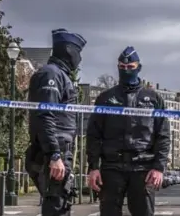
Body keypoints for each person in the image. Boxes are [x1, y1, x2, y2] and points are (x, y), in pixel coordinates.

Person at [86, 46, 170, 216]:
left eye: (130, 67)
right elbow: (94, 135)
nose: (126, 71)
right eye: (122, 68)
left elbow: (163, 135)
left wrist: (159, 167)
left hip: (142, 167)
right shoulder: (106, 98)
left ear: (138, 68)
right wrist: (93, 167)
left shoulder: (153, 99)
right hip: (112, 167)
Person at [25, 28, 86, 216]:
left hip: (58, 148)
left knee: (61, 204)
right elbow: (46, 116)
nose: (79, 59)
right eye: (78, 53)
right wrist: (54, 154)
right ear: (69, 51)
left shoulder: (57, 74)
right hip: (54, 149)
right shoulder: (52, 75)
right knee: (56, 206)